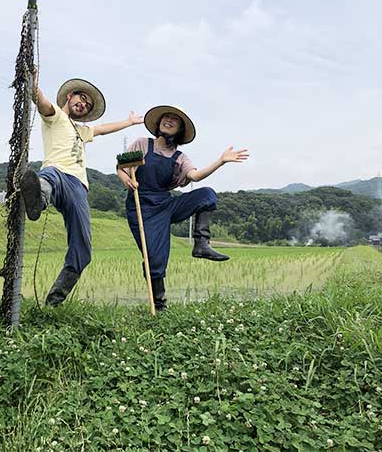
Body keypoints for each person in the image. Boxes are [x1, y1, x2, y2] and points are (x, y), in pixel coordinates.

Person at [21, 75, 143, 306]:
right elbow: (43, 103)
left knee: (83, 251)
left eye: (87, 104)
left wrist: (129, 122)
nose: (84, 104)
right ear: (70, 96)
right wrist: (34, 84)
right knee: (48, 178)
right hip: (55, 173)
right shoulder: (56, 117)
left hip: (79, 187)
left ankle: (53, 303)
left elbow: (103, 129)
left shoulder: (82, 131)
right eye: (81, 98)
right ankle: (38, 199)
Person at [116, 105, 248, 311]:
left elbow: (194, 176)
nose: (168, 121)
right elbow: (121, 168)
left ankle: (201, 244)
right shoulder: (142, 144)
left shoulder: (180, 158)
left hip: (166, 204)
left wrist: (221, 161)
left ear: (179, 130)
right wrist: (126, 180)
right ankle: (159, 306)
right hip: (141, 206)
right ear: (158, 124)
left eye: (174, 120)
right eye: (165, 118)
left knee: (207, 195)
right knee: (154, 258)